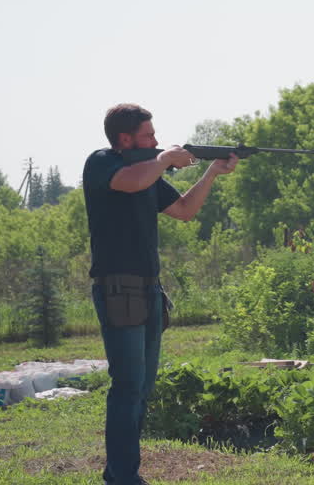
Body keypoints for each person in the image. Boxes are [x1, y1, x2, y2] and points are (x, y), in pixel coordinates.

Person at [83, 103, 238, 485]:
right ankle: (124, 478)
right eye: (148, 136)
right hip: (119, 289)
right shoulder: (103, 163)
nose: (154, 141)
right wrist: (166, 158)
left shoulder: (148, 173)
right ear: (125, 139)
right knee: (128, 387)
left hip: (149, 290)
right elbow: (132, 181)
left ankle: (119, 473)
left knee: (142, 388)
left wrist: (211, 172)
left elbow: (184, 210)